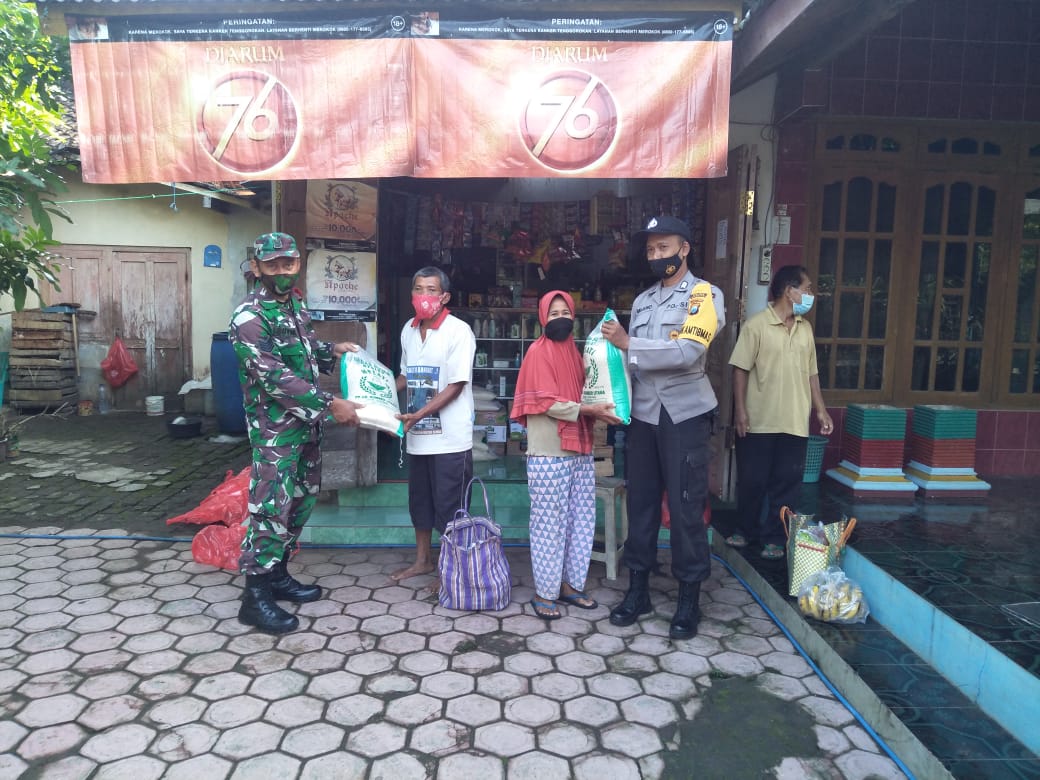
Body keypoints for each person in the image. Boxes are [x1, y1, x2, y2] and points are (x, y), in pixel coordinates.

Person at [230, 232, 363, 635]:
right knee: (271, 509)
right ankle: (255, 597)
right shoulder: (248, 318)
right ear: (257, 268)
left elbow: (303, 350)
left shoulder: (295, 305)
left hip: (305, 429)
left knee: (300, 503)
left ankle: (278, 575)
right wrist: (330, 404)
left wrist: (332, 350)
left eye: (288, 263)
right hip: (275, 434)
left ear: (298, 264)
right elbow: (275, 376)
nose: (282, 271)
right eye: (272, 265)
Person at [600, 215, 724, 640]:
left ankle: (689, 599)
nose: (656, 256)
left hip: (684, 415)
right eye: (651, 250)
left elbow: (687, 352)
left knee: (687, 507)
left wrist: (629, 343)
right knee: (641, 504)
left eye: (664, 247)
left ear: (684, 249)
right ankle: (638, 591)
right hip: (643, 415)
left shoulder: (704, 295)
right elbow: (629, 364)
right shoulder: (642, 301)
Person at [510, 291, 621, 620]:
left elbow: (589, 388)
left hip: (580, 449)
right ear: (543, 318)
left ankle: (570, 585)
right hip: (549, 452)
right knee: (549, 524)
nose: (560, 318)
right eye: (553, 313)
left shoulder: (574, 352)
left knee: (580, 521)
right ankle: (545, 592)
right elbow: (546, 402)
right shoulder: (537, 352)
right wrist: (588, 410)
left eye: (565, 313)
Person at [727, 265, 833, 559]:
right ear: (790, 291)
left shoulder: (805, 328)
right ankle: (744, 530)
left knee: (787, 485)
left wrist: (821, 411)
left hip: (795, 421)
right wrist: (740, 411)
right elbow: (740, 370)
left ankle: (775, 538)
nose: (811, 294)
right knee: (753, 480)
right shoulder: (756, 326)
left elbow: (812, 374)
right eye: (807, 288)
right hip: (759, 420)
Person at [392, 266, 476, 584]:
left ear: (444, 297)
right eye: (418, 289)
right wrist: (378, 392)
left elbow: (456, 385)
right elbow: (404, 375)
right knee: (420, 503)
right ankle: (423, 561)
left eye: (431, 290)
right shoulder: (408, 329)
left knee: (451, 506)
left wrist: (418, 414)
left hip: (450, 439)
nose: (423, 295)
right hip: (418, 437)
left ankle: (451, 570)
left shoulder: (459, 332)